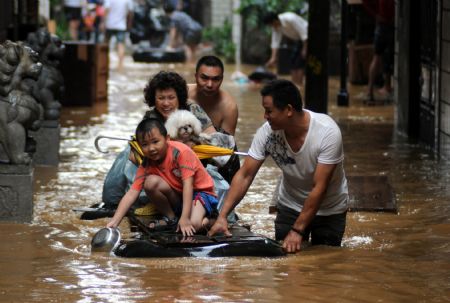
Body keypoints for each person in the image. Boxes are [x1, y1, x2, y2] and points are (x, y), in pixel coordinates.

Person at [208, 79, 348, 253]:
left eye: (269, 111)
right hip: (290, 205)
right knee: (285, 263)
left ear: (288, 110)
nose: (265, 117)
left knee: (326, 262)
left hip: (329, 209)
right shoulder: (268, 132)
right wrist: (222, 216)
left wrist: (297, 231)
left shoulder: (327, 133)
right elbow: (246, 174)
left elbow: (319, 187)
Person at [102, 71, 216, 209]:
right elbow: (140, 150)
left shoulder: (192, 109)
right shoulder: (151, 118)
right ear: (154, 99)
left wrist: (194, 143)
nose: (166, 103)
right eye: (161, 98)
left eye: (171, 98)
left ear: (179, 98)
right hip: (161, 171)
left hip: (192, 168)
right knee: (128, 152)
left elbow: (214, 138)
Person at [106, 118, 218, 236]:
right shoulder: (147, 163)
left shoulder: (181, 152)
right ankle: (171, 219)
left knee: (193, 225)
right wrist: (114, 222)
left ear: (167, 139)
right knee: (150, 182)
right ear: (139, 146)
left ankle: (211, 220)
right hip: (179, 195)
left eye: (155, 142)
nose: (151, 148)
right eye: (145, 144)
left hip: (201, 194)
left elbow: (188, 185)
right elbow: (132, 192)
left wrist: (185, 219)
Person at [188, 55, 240, 183]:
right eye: (204, 78)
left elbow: (223, 150)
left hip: (210, 157)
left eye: (216, 79)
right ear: (196, 77)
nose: (210, 84)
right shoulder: (182, 92)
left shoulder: (229, 107)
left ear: (222, 79)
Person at [263, 12, 308, 86]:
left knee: (300, 62)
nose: (272, 27)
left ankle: (299, 84)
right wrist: (273, 58)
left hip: (307, 37)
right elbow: (275, 42)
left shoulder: (290, 19)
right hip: (298, 39)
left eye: (271, 25)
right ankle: (294, 85)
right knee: (293, 61)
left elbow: (304, 33)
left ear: (275, 21)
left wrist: (305, 49)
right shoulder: (276, 26)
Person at [363, 0, 395, 104]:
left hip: (383, 25)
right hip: (387, 25)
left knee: (379, 58)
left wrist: (376, 14)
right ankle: (383, 87)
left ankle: (371, 90)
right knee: (383, 58)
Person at [103, 0, 133, 71]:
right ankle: (120, 66)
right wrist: (129, 23)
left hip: (109, 25)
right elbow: (130, 12)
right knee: (121, 45)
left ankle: (104, 63)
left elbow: (106, 10)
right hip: (121, 25)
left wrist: (103, 22)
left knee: (105, 45)